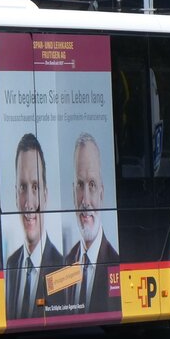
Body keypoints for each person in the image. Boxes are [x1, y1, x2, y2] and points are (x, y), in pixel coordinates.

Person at [4, 133, 61, 319]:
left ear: (45, 194)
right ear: (15, 195)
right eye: (22, 187)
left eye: (35, 187)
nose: (29, 203)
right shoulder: (11, 264)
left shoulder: (63, 266)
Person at [64, 132, 121, 314]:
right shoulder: (66, 262)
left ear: (102, 193)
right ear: (73, 193)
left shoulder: (116, 261)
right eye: (80, 185)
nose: (86, 200)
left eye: (92, 185)